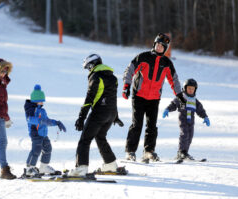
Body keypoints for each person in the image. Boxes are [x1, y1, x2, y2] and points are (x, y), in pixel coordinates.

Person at [122, 33, 186, 162]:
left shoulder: (166, 63)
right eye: (157, 45)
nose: (159, 47)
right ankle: (130, 151)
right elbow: (130, 70)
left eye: (162, 46)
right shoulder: (143, 57)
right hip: (139, 96)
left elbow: (174, 80)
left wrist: (179, 96)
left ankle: (148, 151)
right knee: (137, 124)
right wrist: (126, 86)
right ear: (154, 45)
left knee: (152, 126)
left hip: (154, 98)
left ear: (165, 49)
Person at [69, 54, 124, 176]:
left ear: (93, 64)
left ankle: (81, 168)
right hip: (110, 113)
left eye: (89, 67)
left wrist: (81, 118)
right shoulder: (113, 77)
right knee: (100, 137)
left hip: (99, 113)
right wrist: (115, 116)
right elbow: (112, 98)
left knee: (84, 140)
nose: (89, 70)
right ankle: (110, 164)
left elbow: (89, 98)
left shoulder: (95, 76)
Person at [23, 84, 66, 177]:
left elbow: (47, 121)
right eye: (40, 101)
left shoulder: (42, 110)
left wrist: (56, 123)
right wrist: (40, 121)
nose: (42, 103)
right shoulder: (31, 109)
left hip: (43, 134)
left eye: (42, 101)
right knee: (36, 150)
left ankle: (43, 167)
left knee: (48, 149)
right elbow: (29, 119)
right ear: (35, 101)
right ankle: (29, 168)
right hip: (35, 133)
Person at [163, 78, 210, 160]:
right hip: (183, 119)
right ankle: (181, 152)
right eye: (189, 88)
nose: (191, 90)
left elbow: (200, 110)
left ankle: (185, 152)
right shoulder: (181, 98)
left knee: (190, 136)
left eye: (193, 89)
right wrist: (167, 109)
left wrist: (205, 117)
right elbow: (174, 104)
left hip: (191, 121)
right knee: (184, 134)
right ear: (185, 88)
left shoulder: (195, 101)